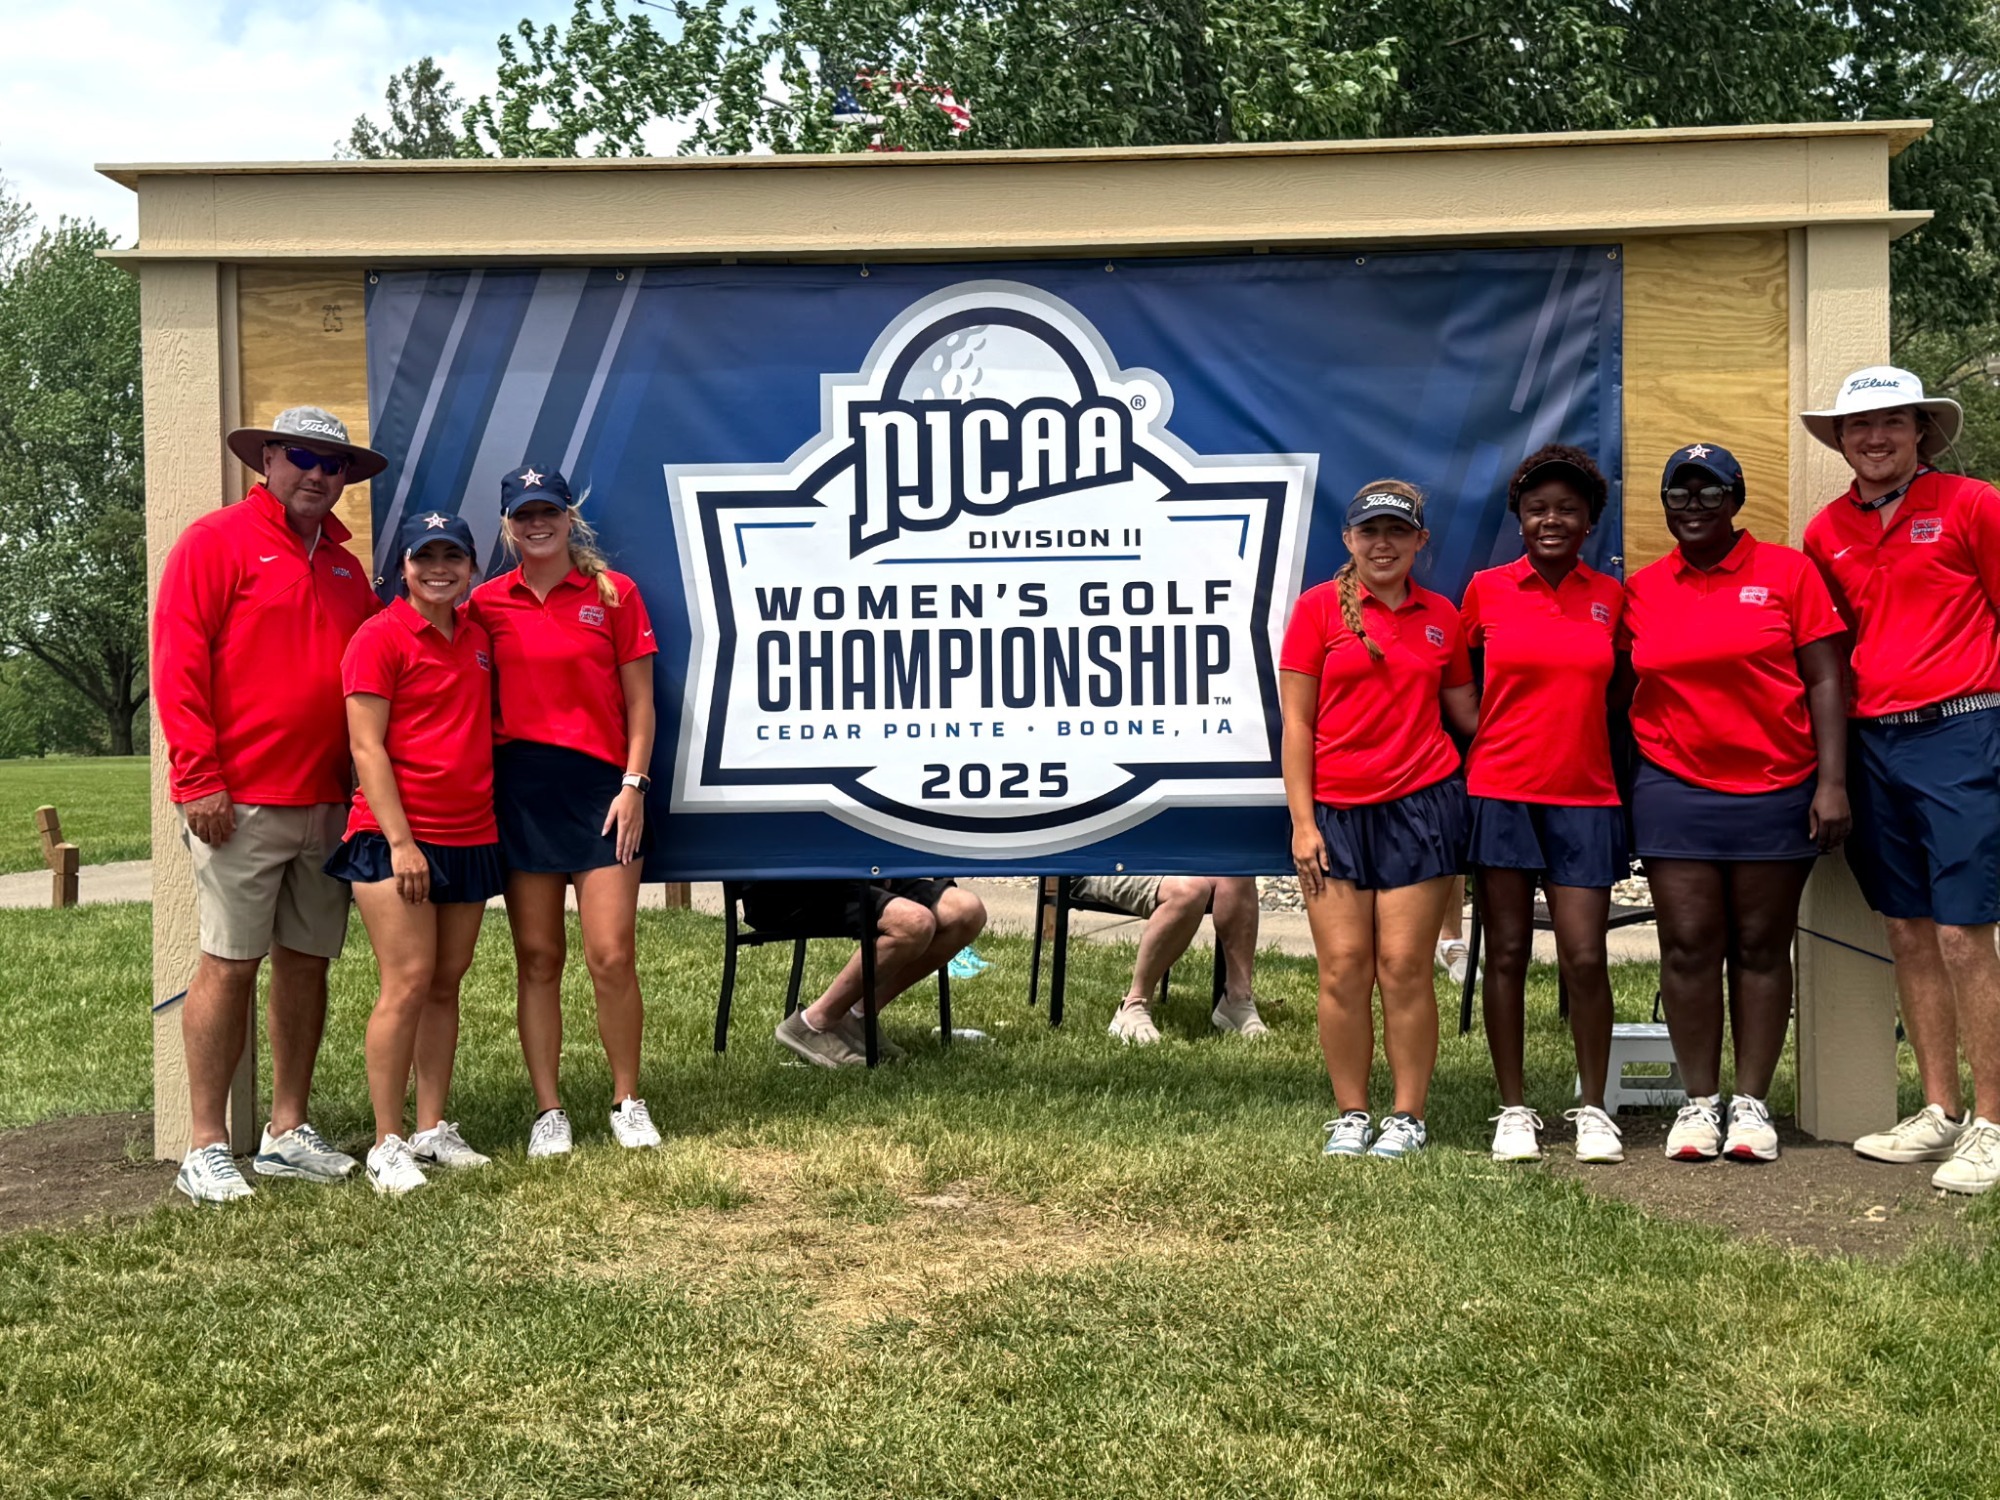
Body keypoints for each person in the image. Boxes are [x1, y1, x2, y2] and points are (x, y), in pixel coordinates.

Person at [152, 407, 386, 1204]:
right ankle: (206, 1144)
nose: (317, 474)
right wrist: (198, 777)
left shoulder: (349, 570)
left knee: (307, 963)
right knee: (229, 963)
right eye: (301, 457)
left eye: (333, 464)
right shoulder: (214, 542)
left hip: (327, 798)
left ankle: (286, 1130)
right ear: (268, 461)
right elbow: (179, 663)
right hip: (238, 800)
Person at [1800, 368, 2000, 1194]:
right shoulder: (1825, 532)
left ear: (1921, 431)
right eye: (1859, 426)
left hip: (1962, 729)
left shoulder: (1973, 505)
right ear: (1841, 441)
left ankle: (1993, 1122)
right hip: (1873, 742)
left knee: (1963, 934)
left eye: (1890, 423)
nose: (1874, 438)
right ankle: (1941, 1109)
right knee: (1908, 931)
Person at [1621, 443, 1850, 1164]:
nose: (1693, 507)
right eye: (1679, 495)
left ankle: (1750, 1104)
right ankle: (1699, 1102)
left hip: (1777, 786)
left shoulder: (1788, 572)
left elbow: (1826, 679)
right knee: (1688, 945)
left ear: (1736, 501)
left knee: (1760, 945)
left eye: (1710, 493)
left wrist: (1833, 782)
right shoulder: (1643, 589)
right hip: (1674, 786)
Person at [1280, 481, 1479, 1160]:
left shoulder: (1442, 616)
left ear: (1421, 541)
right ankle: (1351, 1113)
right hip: (1333, 814)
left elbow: (1467, 715)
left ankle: (1407, 1117)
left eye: (1397, 531)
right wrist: (1303, 823)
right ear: (1349, 540)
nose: (1383, 544)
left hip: (1421, 807)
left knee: (1403, 967)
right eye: (1370, 532)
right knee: (1343, 968)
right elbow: (1297, 724)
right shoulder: (1316, 609)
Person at [470, 465, 661, 1160]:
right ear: (508, 526)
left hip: (603, 793)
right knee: (539, 957)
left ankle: (627, 1100)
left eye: (548, 511)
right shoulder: (484, 603)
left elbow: (641, 702)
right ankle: (548, 1110)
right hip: (522, 791)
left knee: (611, 953)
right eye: (524, 514)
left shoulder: (614, 594)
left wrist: (633, 784)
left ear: (568, 516)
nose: (537, 524)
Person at [325, 512, 505, 1196]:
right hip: (394, 839)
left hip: (471, 833)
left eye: (452, 557)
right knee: (406, 981)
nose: (439, 569)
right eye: (424, 557)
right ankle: (386, 1142)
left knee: (445, 982)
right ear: (402, 567)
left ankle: (431, 1128)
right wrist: (401, 842)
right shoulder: (378, 637)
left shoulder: (478, 638)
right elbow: (365, 746)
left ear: (471, 567)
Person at [1460, 445, 1629, 1165]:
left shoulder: (1612, 597)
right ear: (1519, 518)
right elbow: (1457, 685)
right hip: (1501, 793)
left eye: (1566, 509)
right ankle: (1513, 1110)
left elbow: (1619, 697)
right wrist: (1494, 737)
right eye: (1537, 509)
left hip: (1586, 796)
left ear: (1589, 521)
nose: (1551, 520)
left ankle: (1594, 1109)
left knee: (1584, 956)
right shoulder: (1485, 591)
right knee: (1505, 953)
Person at [746, 880, 987, 1066]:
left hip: (871, 872)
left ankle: (858, 1015)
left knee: (966, 912)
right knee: (913, 923)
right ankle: (814, 1022)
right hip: (794, 883)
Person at [1073, 875, 1268, 1043]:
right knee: (1190, 890)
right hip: (1101, 863)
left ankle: (1237, 1000)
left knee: (1238, 875)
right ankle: (1133, 1007)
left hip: (1169, 861)